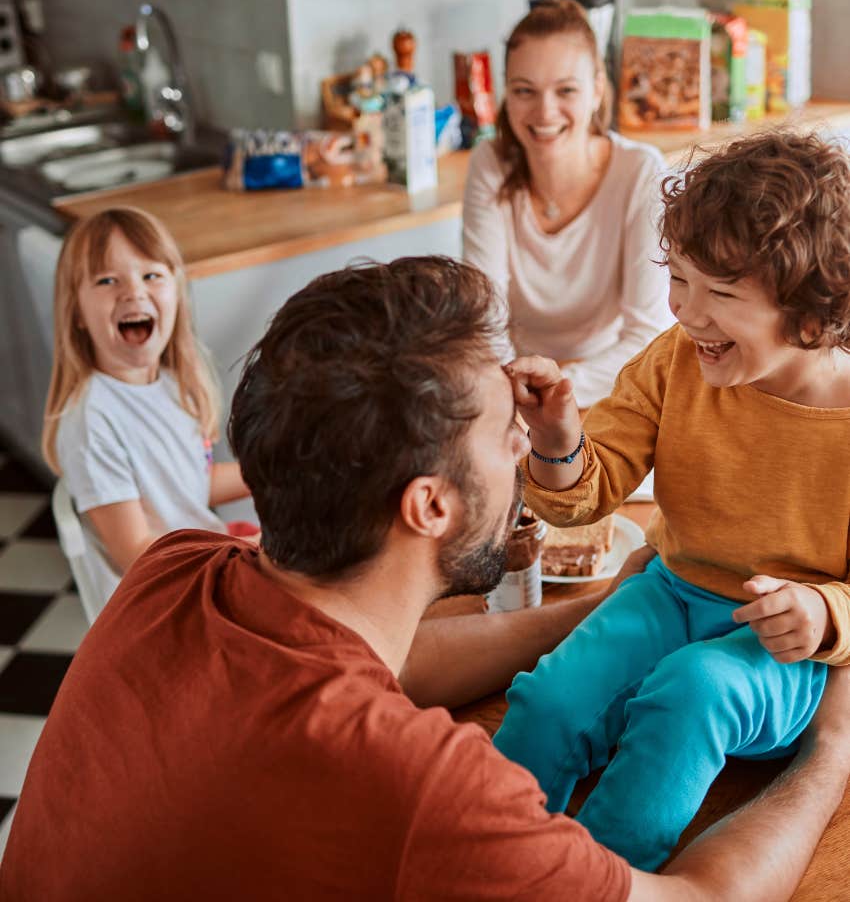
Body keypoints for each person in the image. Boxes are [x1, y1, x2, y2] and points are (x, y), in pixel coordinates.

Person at [3, 257, 849, 902]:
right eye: (500, 431)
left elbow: (386, 666)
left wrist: (596, 609)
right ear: (430, 506)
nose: (525, 443)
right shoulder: (424, 791)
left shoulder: (174, 570)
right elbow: (701, 898)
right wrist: (831, 754)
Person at [494, 131, 850, 872]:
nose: (686, 311)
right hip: (669, 593)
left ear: (813, 318)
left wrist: (821, 616)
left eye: (720, 293)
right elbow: (579, 501)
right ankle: (486, 854)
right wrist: (558, 439)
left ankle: (599, 880)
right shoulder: (674, 360)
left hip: (781, 655)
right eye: (680, 278)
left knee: (691, 690)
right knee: (553, 697)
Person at [41, 206, 254, 616]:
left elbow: (189, 484)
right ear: (77, 314)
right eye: (107, 280)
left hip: (201, 563)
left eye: (151, 275)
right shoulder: (92, 420)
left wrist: (272, 474)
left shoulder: (172, 386)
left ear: (176, 290)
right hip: (164, 603)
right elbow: (139, 558)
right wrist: (249, 550)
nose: (133, 292)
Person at [462, 0, 672, 408]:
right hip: (514, 391)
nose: (544, 112)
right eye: (525, 91)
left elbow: (648, 336)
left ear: (597, 89)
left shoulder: (639, 171)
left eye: (566, 90)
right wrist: (522, 392)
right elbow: (483, 320)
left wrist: (552, 384)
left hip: (612, 390)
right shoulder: (489, 164)